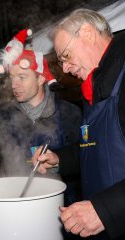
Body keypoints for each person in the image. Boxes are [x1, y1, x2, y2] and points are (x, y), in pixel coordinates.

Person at [33, 8, 125, 240]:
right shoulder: (94, 88)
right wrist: (59, 159)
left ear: (88, 33)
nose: (64, 69)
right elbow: (93, 147)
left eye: (65, 56)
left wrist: (105, 210)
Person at [0, 29, 82, 201]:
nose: (14, 85)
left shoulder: (70, 113)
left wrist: (59, 161)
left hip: (61, 204)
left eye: (22, 77)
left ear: (40, 79)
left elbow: (86, 157)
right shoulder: (4, 116)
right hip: (16, 199)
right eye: (12, 78)